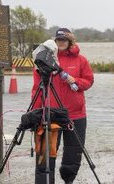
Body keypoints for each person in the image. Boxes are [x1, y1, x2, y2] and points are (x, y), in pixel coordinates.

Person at [31, 28, 94, 184]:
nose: (61, 43)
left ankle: (68, 180)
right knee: (45, 154)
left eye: (64, 40)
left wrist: (76, 81)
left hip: (76, 114)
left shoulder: (81, 60)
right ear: (55, 41)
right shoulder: (44, 61)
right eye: (59, 40)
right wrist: (36, 113)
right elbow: (36, 88)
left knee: (73, 154)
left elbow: (89, 81)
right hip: (50, 114)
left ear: (70, 41)